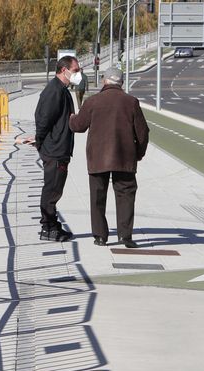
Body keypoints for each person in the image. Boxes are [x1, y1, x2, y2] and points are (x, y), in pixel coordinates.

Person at [68, 68, 149, 248]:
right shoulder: (131, 102)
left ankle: (100, 237)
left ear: (104, 81)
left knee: (97, 196)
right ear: (121, 83)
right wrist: (139, 153)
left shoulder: (92, 102)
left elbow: (79, 126)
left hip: (97, 157)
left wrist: (71, 118)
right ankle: (125, 236)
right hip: (125, 157)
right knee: (126, 195)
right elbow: (143, 133)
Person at [26, 55, 81, 242]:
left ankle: (52, 223)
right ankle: (48, 227)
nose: (78, 74)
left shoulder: (62, 90)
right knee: (52, 189)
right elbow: (43, 119)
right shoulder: (54, 91)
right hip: (55, 149)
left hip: (59, 148)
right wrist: (40, 142)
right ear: (63, 70)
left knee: (55, 188)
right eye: (75, 70)